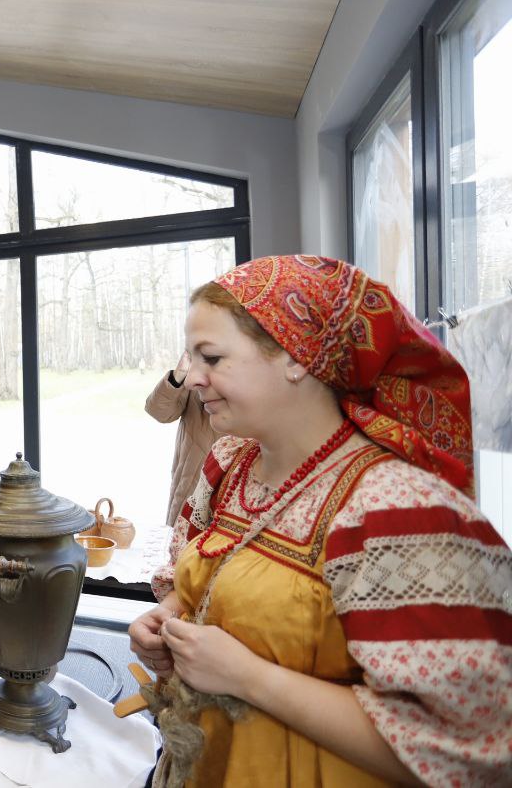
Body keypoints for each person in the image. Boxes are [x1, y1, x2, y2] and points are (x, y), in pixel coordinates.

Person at [128, 255, 512, 786]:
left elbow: (467, 749)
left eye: (211, 357)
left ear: (295, 357)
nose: (191, 377)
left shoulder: (392, 508)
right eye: (191, 357)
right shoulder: (230, 465)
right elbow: (205, 582)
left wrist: (248, 678)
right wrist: (169, 616)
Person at [145, 352, 216, 526]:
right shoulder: (199, 367)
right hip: (191, 482)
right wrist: (179, 375)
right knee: (181, 537)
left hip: (237, 489)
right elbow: (159, 412)